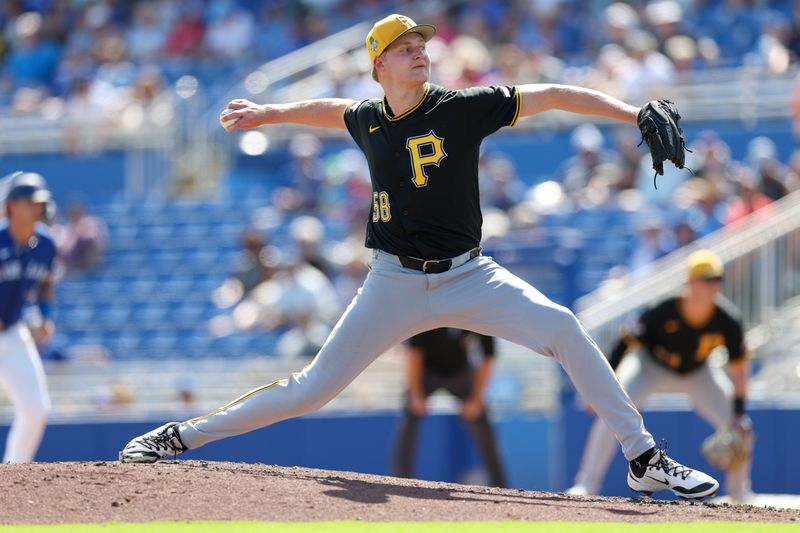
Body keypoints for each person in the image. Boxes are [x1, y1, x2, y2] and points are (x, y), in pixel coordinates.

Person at [120, 13, 719, 500]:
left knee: (563, 326)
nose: (420, 52)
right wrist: (272, 113)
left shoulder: (459, 107)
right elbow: (332, 110)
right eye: (404, 47)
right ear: (377, 64)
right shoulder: (369, 118)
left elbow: (553, 95)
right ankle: (180, 437)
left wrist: (632, 111)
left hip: (468, 274)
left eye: (421, 45)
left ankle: (642, 456)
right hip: (392, 282)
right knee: (311, 389)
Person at [567, 250, 752, 500]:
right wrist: (600, 389)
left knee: (742, 429)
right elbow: (624, 343)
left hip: (698, 372)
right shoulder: (663, 311)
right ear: (690, 282)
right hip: (649, 366)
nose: (713, 286)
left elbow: (740, 370)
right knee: (611, 411)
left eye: (717, 280)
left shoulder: (728, 320)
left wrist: (738, 413)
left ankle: (739, 494)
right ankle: (586, 485)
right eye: (707, 279)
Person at [392, 329, 506, 488]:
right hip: (427, 371)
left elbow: (488, 357)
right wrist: (416, 395)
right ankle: (400, 481)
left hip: (461, 372)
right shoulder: (431, 308)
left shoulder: (477, 312)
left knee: (481, 418)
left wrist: (477, 398)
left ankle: (500, 485)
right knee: (410, 415)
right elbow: (413, 352)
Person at [0, 172, 57, 462]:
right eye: (30, 202)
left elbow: (47, 283)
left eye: (39, 203)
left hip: (12, 333)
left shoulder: (46, 244)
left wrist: (46, 315)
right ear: (12, 206)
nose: (38, 208)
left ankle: (12, 475)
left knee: (35, 408)